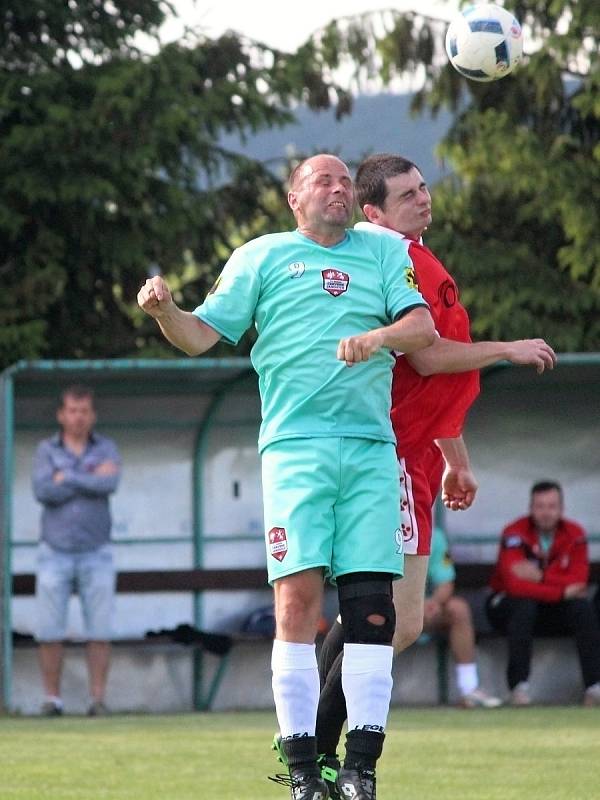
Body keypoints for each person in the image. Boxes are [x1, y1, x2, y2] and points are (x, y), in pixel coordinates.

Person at [138, 153, 436, 800]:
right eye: (322, 179)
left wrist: (378, 337)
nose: (337, 187)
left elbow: (422, 327)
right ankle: (303, 772)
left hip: (368, 451)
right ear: (294, 198)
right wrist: (164, 310)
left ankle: (360, 768)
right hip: (296, 450)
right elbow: (198, 336)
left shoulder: (383, 254)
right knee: (296, 606)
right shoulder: (261, 257)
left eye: (343, 179)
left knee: (373, 613)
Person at [315, 154, 556, 765]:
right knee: (392, 622)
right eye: (407, 196)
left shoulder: (413, 254)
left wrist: (457, 458)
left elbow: (430, 387)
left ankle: (312, 743)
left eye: (424, 188)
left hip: (419, 454)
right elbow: (426, 358)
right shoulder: (390, 259)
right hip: (390, 454)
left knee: (393, 621)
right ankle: (314, 749)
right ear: (374, 213)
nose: (424, 199)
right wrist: (505, 348)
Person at [32, 385, 121, 716]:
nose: (78, 417)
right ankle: (52, 700)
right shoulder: (45, 450)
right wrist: (87, 476)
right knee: (50, 631)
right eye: (72, 410)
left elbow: (110, 483)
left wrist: (66, 477)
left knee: (99, 631)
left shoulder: (107, 447)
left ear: (92, 415)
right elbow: (42, 490)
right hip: (53, 552)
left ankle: (97, 700)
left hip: (97, 552)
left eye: (84, 411)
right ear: (61, 414)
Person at [486, 480, 600, 706]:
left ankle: (594, 687)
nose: (546, 513)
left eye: (551, 506)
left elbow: (578, 582)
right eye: (540, 506)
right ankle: (519, 688)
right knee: (523, 605)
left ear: (561, 509)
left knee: (582, 608)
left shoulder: (575, 533)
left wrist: (541, 577)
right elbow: (514, 584)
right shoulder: (513, 532)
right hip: (509, 609)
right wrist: (560, 591)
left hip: (551, 610)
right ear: (531, 508)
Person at [421, 526, 501, 707]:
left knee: (458, 609)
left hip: (423, 610)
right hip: (388, 608)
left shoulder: (434, 536)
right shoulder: (378, 527)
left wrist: (432, 602)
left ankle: (469, 689)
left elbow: (445, 582)